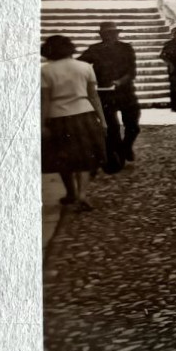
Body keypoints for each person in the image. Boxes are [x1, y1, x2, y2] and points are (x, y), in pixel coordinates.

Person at [40, 35, 107, 211]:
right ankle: (82, 194)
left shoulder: (45, 70)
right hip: (84, 115)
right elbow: (94, 95)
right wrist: (103, 119)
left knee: (63, 158)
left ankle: (71, 192)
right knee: (85, 157)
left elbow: (45, 100)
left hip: (58, 117)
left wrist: (42, 124)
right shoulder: (85, 67)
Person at [79, 21, 140, 172]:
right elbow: (79, 64)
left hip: (126, 92)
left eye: (113, 33)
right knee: (112, 128)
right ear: (101, 35)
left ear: (117, 34)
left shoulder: (126, 48)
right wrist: (89, 79)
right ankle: (118, 157)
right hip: (104, 93)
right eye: (107, 34)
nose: (110, 36)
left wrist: (120, 81)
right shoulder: (94, 50)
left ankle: (126, 147)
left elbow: (132, 72)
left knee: (133, 127)